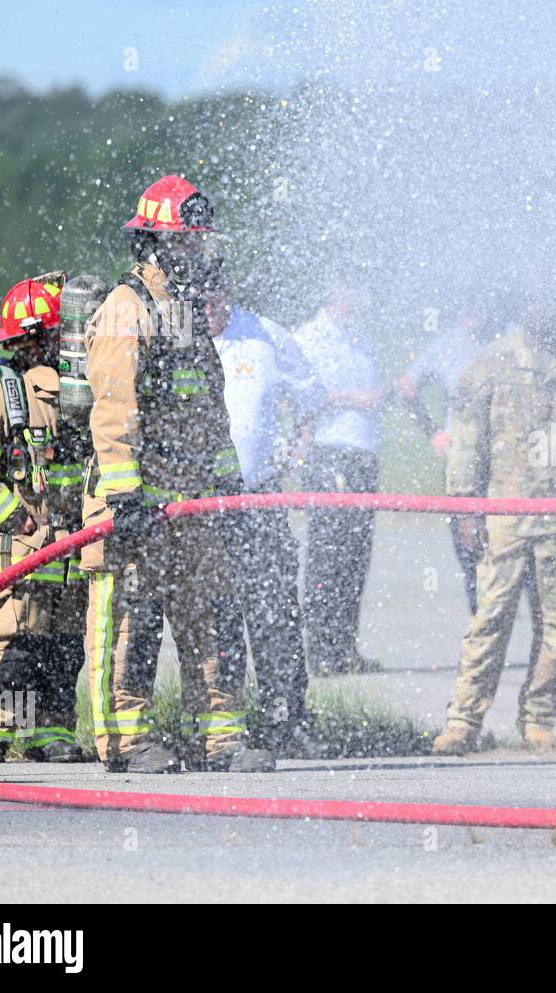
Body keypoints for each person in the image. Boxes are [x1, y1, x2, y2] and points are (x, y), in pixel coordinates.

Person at [81, 174, 273, 773]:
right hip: (137, 509)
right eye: (186, 245)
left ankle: (215, 739)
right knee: (132, 629)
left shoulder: (186, 313)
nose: (196, 256)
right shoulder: (126, 308)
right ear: (155, 243)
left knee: (210, 618)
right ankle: (127, 743)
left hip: (195, 511)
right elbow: (114, 410)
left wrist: (230, 492)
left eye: (200, 245)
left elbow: (213, 414)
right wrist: (125, 497)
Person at [432, 300, 556, 756]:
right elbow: (466, 441)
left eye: (552, 298)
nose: (544, 310)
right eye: (534, 299)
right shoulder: (490, 365)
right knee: (490, 618)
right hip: (505, 513)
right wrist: (465, 507)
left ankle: (539, 719)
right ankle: (463, 720)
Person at [0, 276, 88, 762]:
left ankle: (52, 732)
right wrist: (18, 522)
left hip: (73, 552)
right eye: (46, 337)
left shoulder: (78, 394)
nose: (46, 346)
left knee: (67, 648)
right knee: (12, 643)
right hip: (21, 551)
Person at [206, 277, 326, 755]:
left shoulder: (266, 336)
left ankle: (287, 719)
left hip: (259, 501)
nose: (209, 307)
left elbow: (312, 395)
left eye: (216, 297)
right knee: (219, 618)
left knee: (276, 612)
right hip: (205, 507)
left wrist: (297, 447)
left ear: (228, 292)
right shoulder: (177, 337)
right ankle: (222, 726)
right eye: (200, 297)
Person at [291, 291, 388, 675]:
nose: (359, 302)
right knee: (327, 555)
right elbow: (298, 399)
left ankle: (345, 646)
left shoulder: (360, 337)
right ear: (333, 294)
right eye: (351, 294)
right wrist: (352, 398)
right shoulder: (309, 338)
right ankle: (319, 651)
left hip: (363, 454)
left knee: (355, 556)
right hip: (329, 452)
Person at [395, 306, 497, 613]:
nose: (477, 316)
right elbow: (406, 386)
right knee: (469, 546)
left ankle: (548, 641)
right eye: (470, 306)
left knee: (528, 545)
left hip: (511, 460)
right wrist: (433, 433)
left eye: (483, 306)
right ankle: (481, 628)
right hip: (464, 460)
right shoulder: (447, 345)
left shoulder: (511, 338)